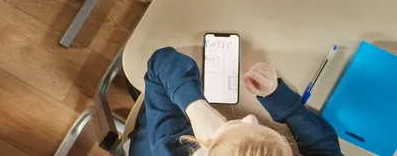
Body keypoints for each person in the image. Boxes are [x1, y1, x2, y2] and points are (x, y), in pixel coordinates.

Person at [133, 47, 342, 156]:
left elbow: (161, 62)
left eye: (240, 126)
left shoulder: (168, 148)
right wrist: (277, 97)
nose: (250, 118)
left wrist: (196, 107)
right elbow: (323, 147)